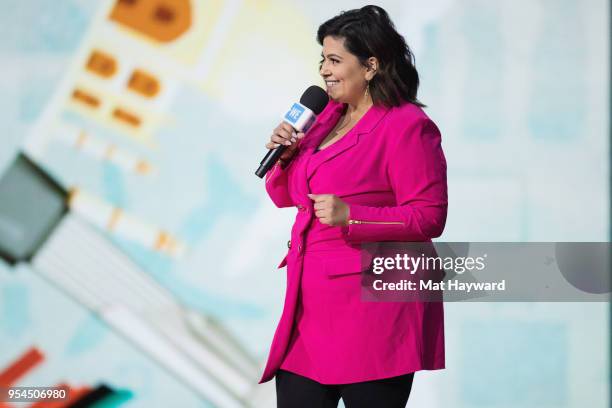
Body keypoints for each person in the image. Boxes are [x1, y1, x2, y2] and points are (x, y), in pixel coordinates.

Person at [259, 5, 448, 408]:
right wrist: (287, 155)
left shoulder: (406, 125)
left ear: (370, 66)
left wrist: (353, 215)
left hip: (374, 312)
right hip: (310, 310)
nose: (324, 70)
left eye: (334, 60)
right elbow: (286, 198)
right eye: (322, 60)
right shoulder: (324, 117)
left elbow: (430, 216)